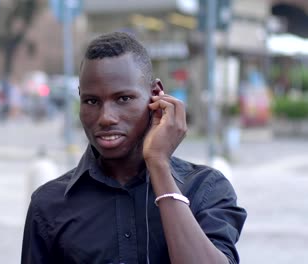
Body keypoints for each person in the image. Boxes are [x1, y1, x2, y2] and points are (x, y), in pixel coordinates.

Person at [21, 32, 247, 264]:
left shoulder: (205, 189)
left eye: (123, 99)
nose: (106, 118)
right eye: (91, 101)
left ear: (156, 94)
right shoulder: (48, 205)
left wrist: (158, 164)